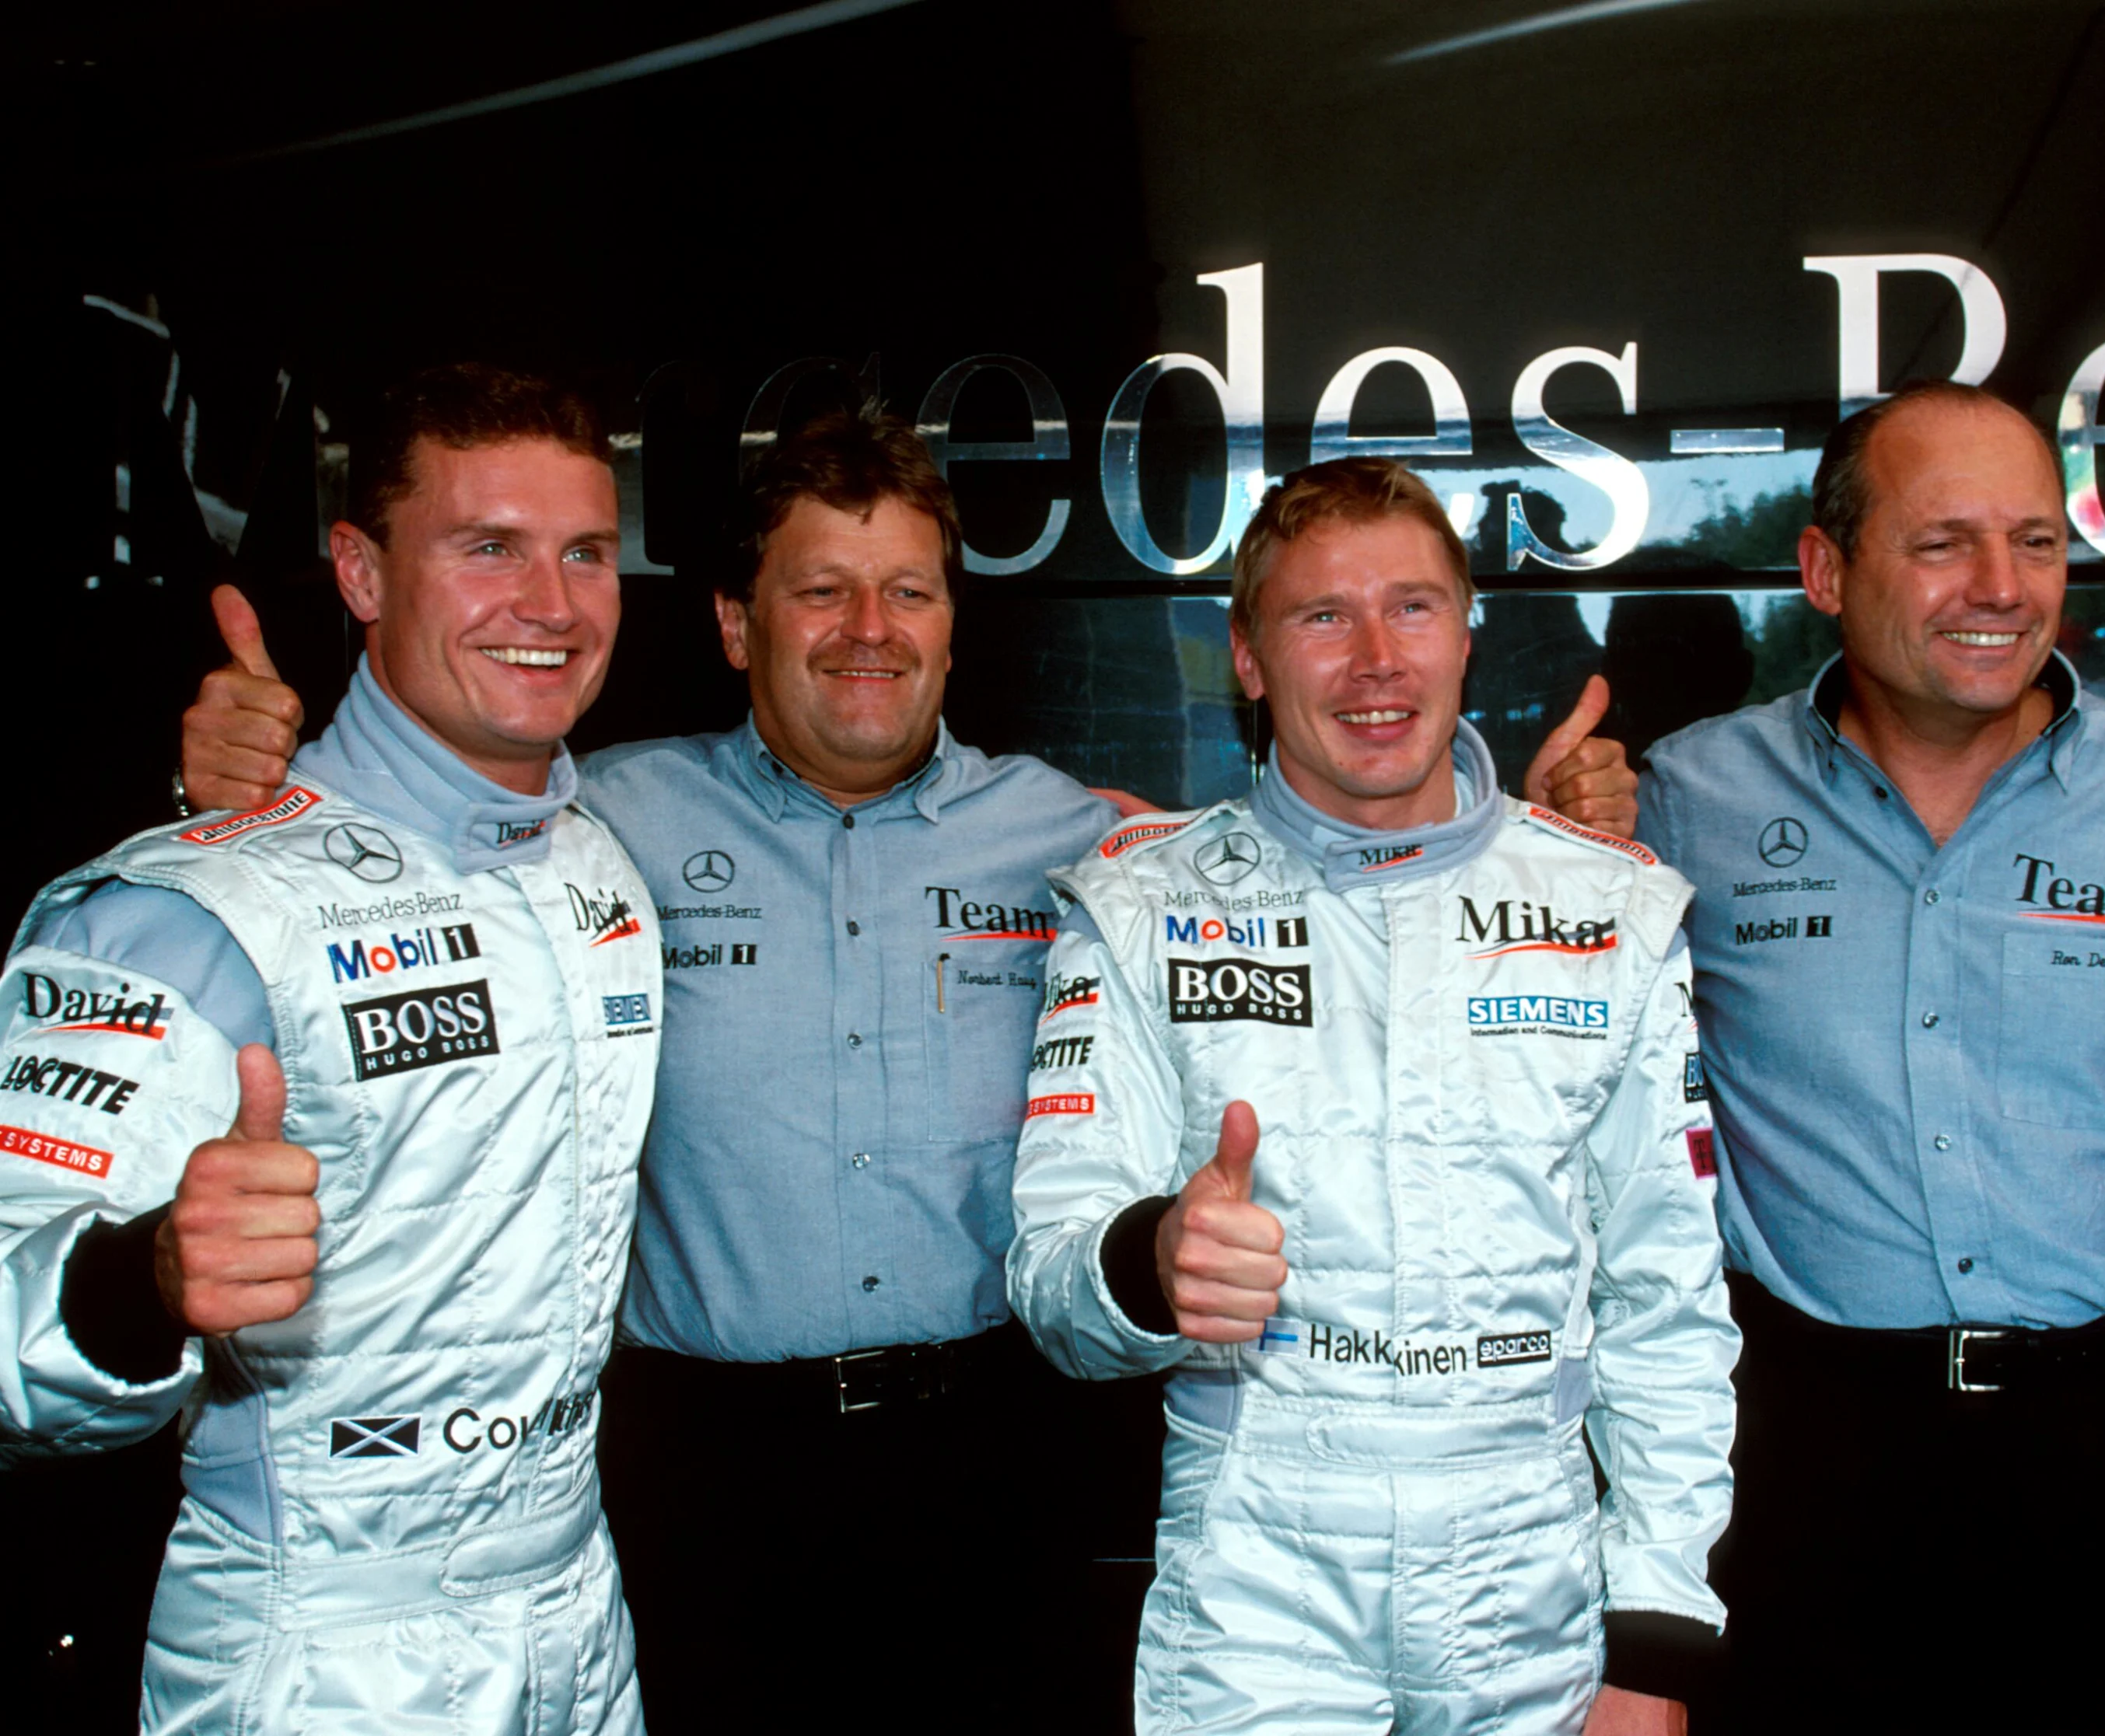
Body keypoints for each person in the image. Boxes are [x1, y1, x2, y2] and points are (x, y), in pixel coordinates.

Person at [182, 407, 1646, 1728]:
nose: (867, 628)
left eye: (910, 591)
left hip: (1005, 1459)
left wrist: (1524, 822)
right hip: (704, 1477)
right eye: (820, 588)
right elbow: (408, 849)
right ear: (739, 624)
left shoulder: (1081, 839)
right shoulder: (594, 822)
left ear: (955, 627)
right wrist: (252, 765)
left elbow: (1319, 851)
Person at [0, 364, 661, 1734]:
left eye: (585, 552)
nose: (553, 605)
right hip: (320, 1644)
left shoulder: (602, 875)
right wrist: (135, 1278)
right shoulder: (198, 910)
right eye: (487, 549)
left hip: (582, 1609)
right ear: (359, 572)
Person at [1539, 382, 2105, 1724]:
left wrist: (2095, 1233)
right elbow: (1569, 1103)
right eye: (1942, 543)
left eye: (2036, 541)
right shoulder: (1687, 804)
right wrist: (1561, 867)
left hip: (2098, 1442)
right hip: (1794, 1442)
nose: (2000, 587)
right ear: (1825, 568)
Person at [1009, 456, 1736, 1736]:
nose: (1375, 661)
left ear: (1467, 633)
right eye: (1321, 617)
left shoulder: (1610, 906)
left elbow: (1666, 1305)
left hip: (1537, 1569)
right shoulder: (1137, 907)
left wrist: (1661, 1641)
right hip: (1257, 1566)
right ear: (1247, 656)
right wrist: (1152, 1261)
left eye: (1410, 608)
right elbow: (1054, 1283)